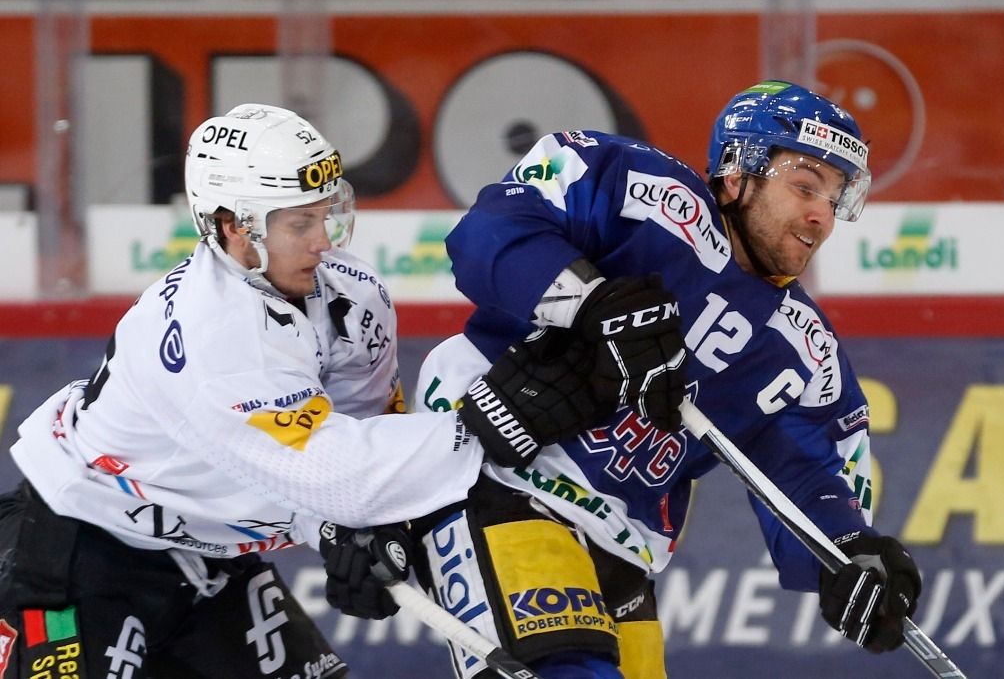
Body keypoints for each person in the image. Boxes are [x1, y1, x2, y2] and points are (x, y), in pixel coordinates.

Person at [0, 103, 600, 678]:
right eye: (299, 223)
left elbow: (364, 433)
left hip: (209, 558)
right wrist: (491, 422)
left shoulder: (353, 294)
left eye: (327, 212)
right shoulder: (212, 335)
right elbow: (332, 473)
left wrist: (363, 529)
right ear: (233, 228)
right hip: (80, 548)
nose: (324, 241)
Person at [388, 81, 922, 678]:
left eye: (835, 196)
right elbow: (491, 231)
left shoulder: (805, 350)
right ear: (737, 172)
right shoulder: (635, 186)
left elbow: (806, 474)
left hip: (623, 547)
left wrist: (847, 550)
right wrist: (589, 303)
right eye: (804, 186)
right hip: (495, 471)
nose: (821, 215)